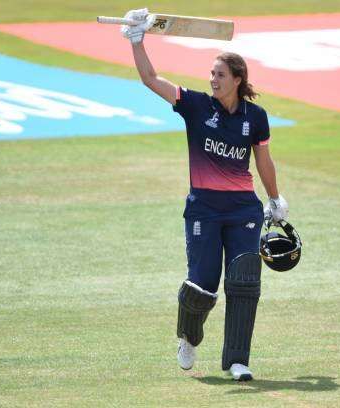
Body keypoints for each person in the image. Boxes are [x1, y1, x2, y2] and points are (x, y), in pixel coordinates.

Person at [120, 8, 288, 381]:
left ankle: (237, 362)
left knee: (244, 282)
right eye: (211, 74)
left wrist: (275, 200)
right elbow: (150, 79)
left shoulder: (255, 117)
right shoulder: (196, 106)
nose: (212, 79)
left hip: (243, 208)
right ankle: (188, 337)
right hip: (204, 210)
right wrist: (137, 40)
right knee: (202, 284)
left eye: (220, 75)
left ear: (238, 80)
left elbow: (264, 161)